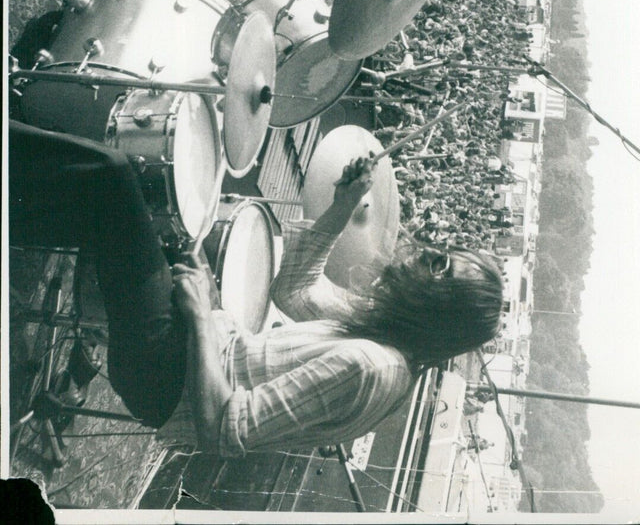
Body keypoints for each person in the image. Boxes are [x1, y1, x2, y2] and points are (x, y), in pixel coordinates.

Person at [8, 121, 503, 454]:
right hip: (187, 355)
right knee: (128, 216)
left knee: (112, 179)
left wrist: (202, 315)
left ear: (443, 310)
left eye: (439, 266)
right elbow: (294, 293)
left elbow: (225, 428)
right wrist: (342, 206)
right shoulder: (386, 340)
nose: (420, 253)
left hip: (166, 377)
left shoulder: (371, 367)